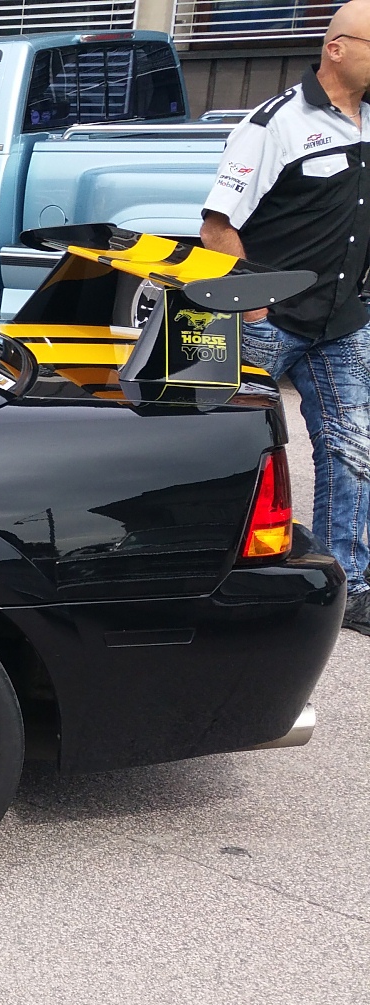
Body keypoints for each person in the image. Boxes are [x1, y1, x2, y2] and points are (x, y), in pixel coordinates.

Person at [204, 0, 370, 635]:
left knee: (351, 448)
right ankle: (220, 574)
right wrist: (252, 300)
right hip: (268, 321)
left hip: (342, 322)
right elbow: (218, 227)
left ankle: (348, 585)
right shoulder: (274, 124)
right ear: (337, 48)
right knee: (234, 448)